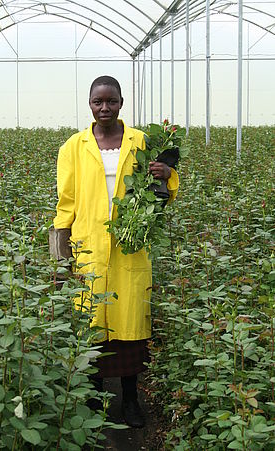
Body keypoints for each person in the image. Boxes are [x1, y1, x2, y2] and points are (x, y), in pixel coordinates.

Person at [52, 75, 179, 428]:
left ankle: (131, 401)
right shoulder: (73, 147)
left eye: (111, 101)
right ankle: (94, 399)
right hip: (89, 246)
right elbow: (66, 204)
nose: (104, 108)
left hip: (131, 247)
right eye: (98, 102)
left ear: (121, 102)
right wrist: (62, 258)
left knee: (130, 327)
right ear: (89, 105)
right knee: (92, 324)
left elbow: (162, 191)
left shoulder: (141, 141)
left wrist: (167, 174)